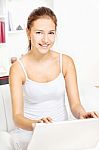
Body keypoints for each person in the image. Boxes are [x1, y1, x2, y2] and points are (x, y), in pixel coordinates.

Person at [0, 6, 99, 150]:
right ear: (28, 33)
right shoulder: (18, 68)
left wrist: (83, 115)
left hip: (61, 131)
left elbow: (75, 105)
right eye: (39, 32)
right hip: (31, 134)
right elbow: (17, 117)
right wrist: (36, 124)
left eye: (51, 33)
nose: (46, 39)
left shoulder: (65, 62)